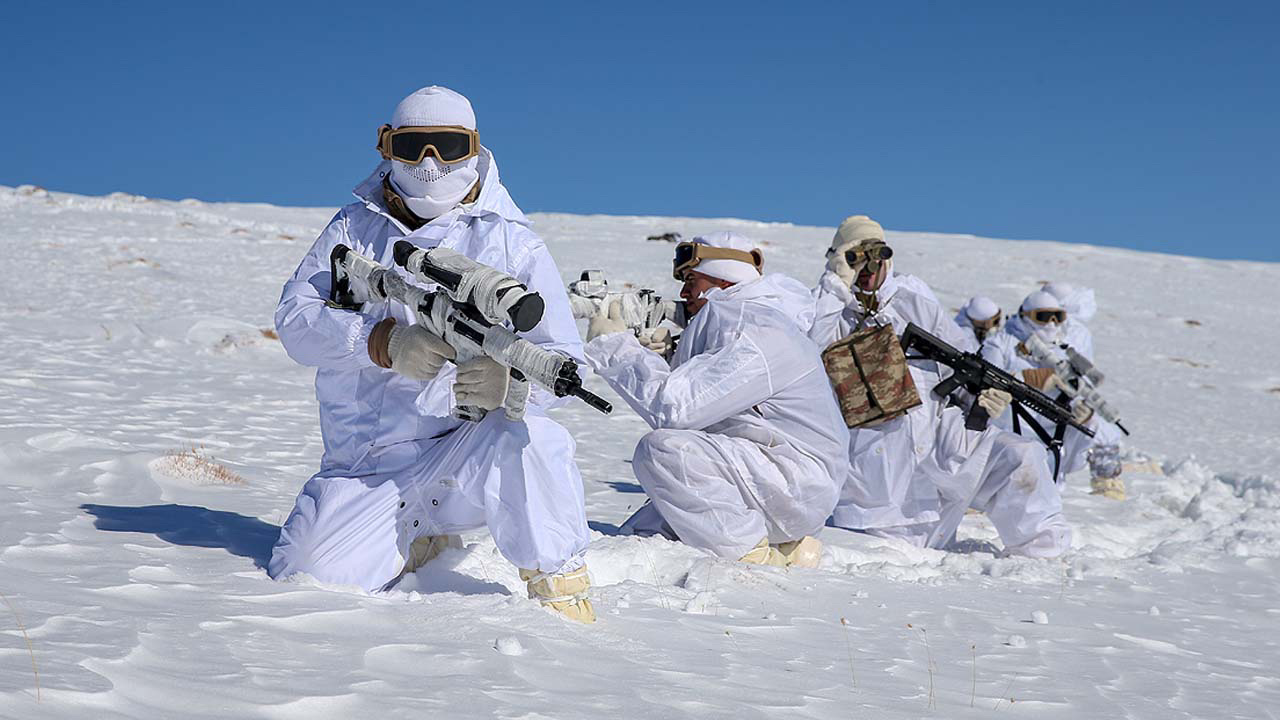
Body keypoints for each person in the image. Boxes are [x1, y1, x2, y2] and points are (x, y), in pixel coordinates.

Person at [268, 86, 595, 622]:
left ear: (474, 149)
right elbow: (295, 322)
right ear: (387, 147)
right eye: (414, 145)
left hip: (461, 458)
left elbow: (560, 357)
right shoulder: (352, 228)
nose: (429, 163)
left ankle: (560, 588)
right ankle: (420, 544)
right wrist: (378, 342)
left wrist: (506, 383)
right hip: (366, 470)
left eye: (447, 146)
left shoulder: (513, 243)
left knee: (533, 437)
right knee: (306, 580)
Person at [810, 215, 1071, 557]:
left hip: (938, 454)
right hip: (874, 486)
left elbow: (961, 363)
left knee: (1020, 456)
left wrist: (982, 399)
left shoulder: (915, 306)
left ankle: (1044, 560)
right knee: (890, 560)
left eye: (878, 255)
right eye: (857, 257)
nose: (870, 266)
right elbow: (809, 357)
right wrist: (835, 286)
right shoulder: (823, 310)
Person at [584, 232, 847, 568]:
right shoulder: (748, 321)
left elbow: (675, 409)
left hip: (791, 483)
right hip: (760, 477)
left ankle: (754, 558)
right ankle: (791, 550)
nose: (682, 293)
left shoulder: (753, 327)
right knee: (640, 545)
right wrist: (669, 355)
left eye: (691, 279)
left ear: (723, 280)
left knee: (662, 451)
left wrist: (614, 346)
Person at [981, 290, 1126, 500]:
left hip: (1050, 434)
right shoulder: (1001, 343)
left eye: (1057, 317)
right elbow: (986, 381)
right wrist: (1030, 378)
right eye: (1042, 316)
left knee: (1095, 425)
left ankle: (1108, 485)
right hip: (1008, 427)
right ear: (1025, 317)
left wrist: (1080, 413)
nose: (1051, 324)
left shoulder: (1063, 350)